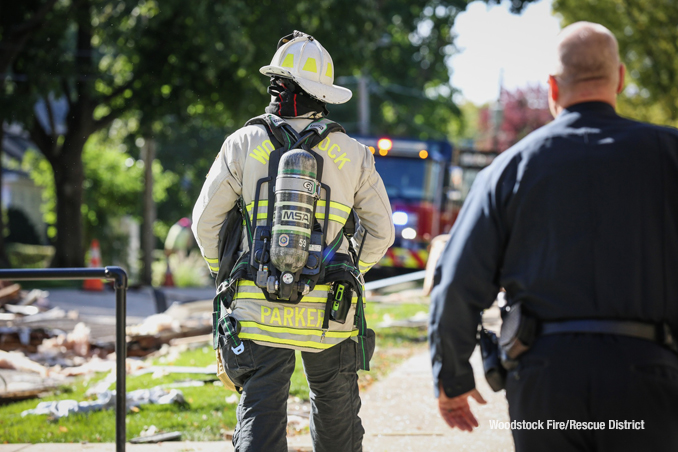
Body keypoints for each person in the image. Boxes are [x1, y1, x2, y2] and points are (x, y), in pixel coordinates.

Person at [429, 21, 678, 452]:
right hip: (650, 377)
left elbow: (456, 283)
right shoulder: (670, 156)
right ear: (619, 77)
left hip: (545, 380)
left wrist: (451, 378)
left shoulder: (508, 170)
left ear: (552, 87)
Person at [192, 31, 394, 452]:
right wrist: (350, 271)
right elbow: (382, 233)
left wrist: (226, 276)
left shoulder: (242, 144)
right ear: (322, 94)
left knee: (261, 408)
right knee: (335, 410)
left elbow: (204, 224)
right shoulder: (353, 153)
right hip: (328, 315)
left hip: (257, 309)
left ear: (279, 86)